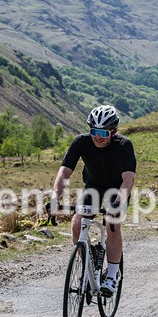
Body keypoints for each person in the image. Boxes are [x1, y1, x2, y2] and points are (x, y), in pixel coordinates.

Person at [52, 105, 136, 296]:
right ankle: (89, 263)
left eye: (103, 133)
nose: (98, 137)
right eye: (94, 131)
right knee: (76, 223)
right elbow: (64, 172)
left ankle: (113, 275)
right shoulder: (81, 142)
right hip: (93, 188)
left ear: (113, 132)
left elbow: (128, 179)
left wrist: (117, 203)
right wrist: (55, 197)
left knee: (112, 225)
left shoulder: (124, 145)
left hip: (117, 190)